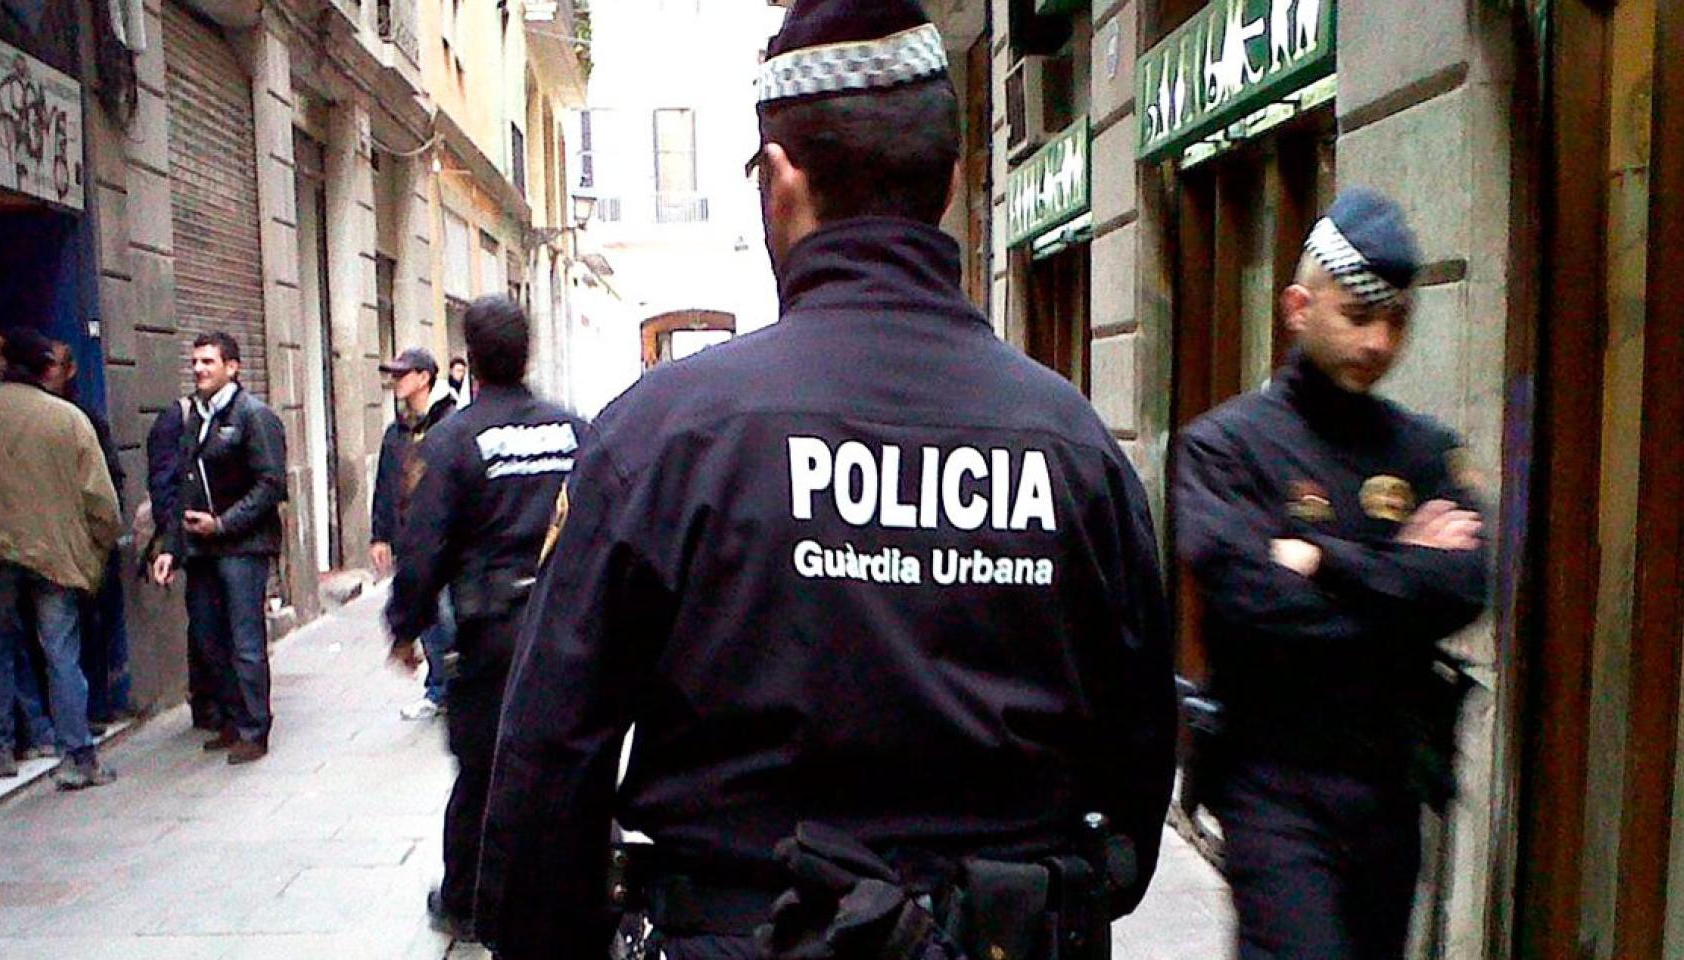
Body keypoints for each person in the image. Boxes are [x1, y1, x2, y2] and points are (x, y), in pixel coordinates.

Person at [474, 3, 1176, 957]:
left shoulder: (662, 438)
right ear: (953, 181)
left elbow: (549, 762)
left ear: (781, 178)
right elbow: (1136, 776)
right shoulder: (1075, 448)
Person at [1174, 188, 1490, 959]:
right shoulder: (1225, 448)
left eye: (1397, 321)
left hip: (1390, 788)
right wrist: (1401, 577)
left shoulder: (1422, 451)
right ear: (1297, 307)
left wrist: (1324, 559)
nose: (1379, 341)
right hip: (1272, 786)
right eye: (1358, 315)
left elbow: (1467, 587)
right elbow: (1252, 605)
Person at [383, 297, 586, 942]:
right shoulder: (574, 432)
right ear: (527, 353)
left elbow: (425, 545)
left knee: (482, 771)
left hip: (494, 636)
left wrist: (406, 625)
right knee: (570, 766)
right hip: (569, 631)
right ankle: (574, 892)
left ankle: (468, 901)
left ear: (468, 360)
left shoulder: (453, 441)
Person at [151, 332, 288, 766]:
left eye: (208, 361)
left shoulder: (254, 416)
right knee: (209, 639)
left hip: (243, 547)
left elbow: (271, 484)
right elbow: (184, 487)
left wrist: (224, 523)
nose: (198, 369)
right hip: (202, 549)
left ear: (232, 367)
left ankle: (254, 728)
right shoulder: (197, 418)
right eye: (195, 362)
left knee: (245, 640)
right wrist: (170, 547)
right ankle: (231, 719)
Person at [0, 328, 122, 787]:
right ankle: (77, 758)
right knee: (61, 653)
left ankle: (1, 750)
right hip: (55, 554)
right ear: (44, 366)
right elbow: (101, 499)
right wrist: (101, 547)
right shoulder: (68, 419)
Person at [43, 341, 132, 729]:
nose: (48, 372)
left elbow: (110, 483)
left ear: (71, 370)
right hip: (51, 544)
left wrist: (102, 539)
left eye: (55, 364)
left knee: (90, 628)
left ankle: (94, 707)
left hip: (85, 544)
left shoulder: (86, 420)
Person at [370, 347, 458, 721]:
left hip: (446, 539)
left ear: (424, 378)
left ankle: (454, 687)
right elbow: (385, 486)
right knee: (429, 618)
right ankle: (438, 689)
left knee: (448, 615)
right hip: (410, 540)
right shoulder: (396, 433)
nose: (396, 381)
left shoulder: (450, 424)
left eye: (402, 374)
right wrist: (380, 535)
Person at [144, 393, 216, 729]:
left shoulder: (240, 413)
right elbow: (163, 486)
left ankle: (225, 703)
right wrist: (171, 543)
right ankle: (206, 702)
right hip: (194, 541)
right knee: (204, 623)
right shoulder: (176, 418)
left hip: (232, 537)